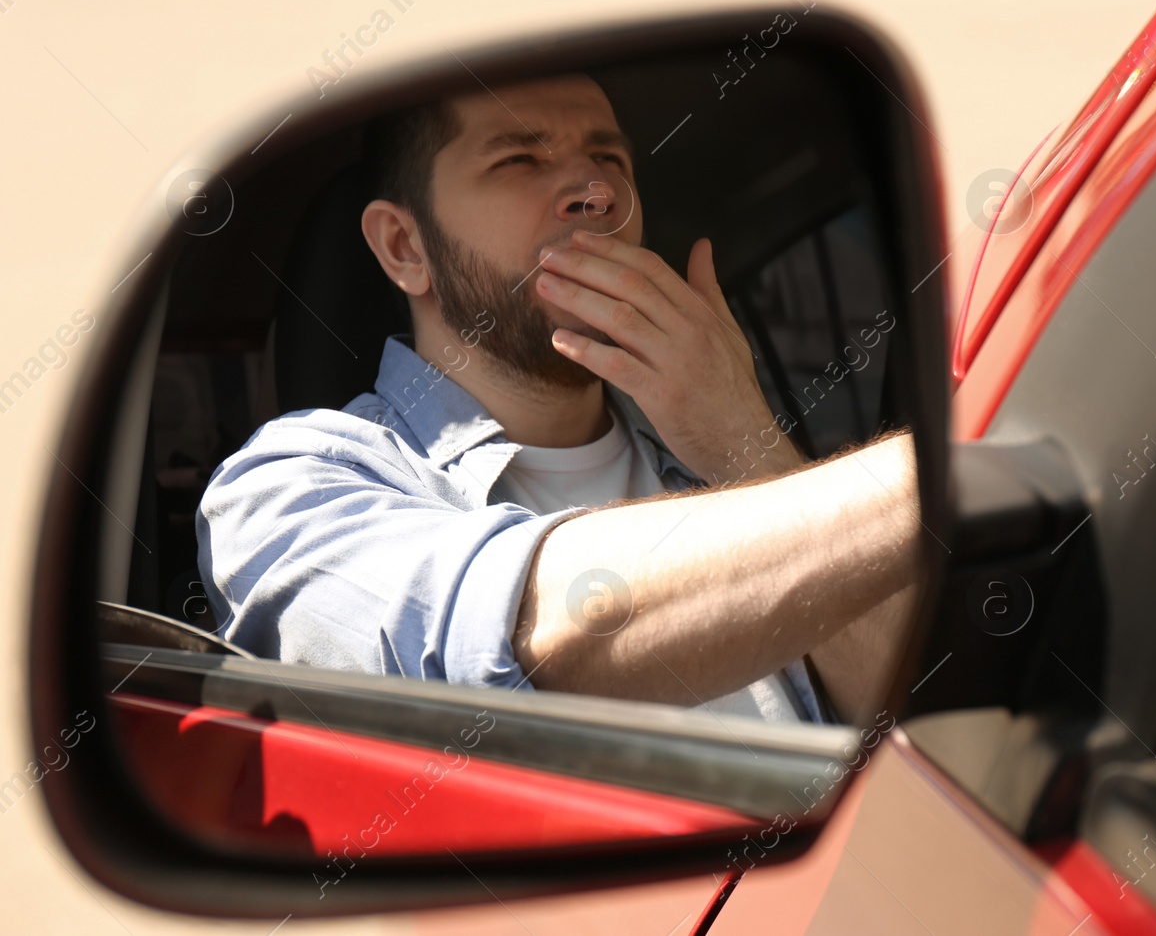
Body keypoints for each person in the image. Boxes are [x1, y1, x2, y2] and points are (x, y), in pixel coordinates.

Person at [197, 73, 922, 724]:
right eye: (520, 158)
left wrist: (741, 438)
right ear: (404, 247)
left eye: (609, 159)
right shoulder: (287, 488)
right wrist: (928, 479)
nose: (596, 191)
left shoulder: (718, 461)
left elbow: (910, 714)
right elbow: (526, 634)